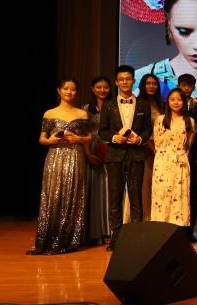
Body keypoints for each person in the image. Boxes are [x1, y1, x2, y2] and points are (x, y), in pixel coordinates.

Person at [31, 78, 91, 254]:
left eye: (73, 89)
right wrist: (50, 140)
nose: (69, 92)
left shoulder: (82, 114)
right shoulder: (50, 113)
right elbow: (42, 139)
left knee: (73, 195)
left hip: (75, 156)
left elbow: (89, 137)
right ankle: (49, 237)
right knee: (53, 196)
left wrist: (78, 138)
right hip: (55, 157)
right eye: (66, 89)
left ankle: (69, 239)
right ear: (59, 90)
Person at [98, 65, 152, 246]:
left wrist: (139, 139)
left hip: (136, 155)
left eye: (128, 79)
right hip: (115, 155)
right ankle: (116, 239)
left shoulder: (143, 104)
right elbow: (102, 131)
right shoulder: (108, 105)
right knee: (115, 197)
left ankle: (136, 239)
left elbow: (148, 129)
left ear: (134, 80)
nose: (125, 82)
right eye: (121, 79)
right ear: (116, 82)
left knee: (136, 197)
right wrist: (115, 137)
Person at [150, 88, 194, 227]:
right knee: (161, 194)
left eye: (179, 100)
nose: (176, 102)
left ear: (184, 102)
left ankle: (178, 228)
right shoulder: (160, 119)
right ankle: (160, 226)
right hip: (163, 161)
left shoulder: (190, 121)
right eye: (172, 99)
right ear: (168, 102)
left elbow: (188, 145)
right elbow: (157, 142)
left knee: (179, 194)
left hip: (181, 162)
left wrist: (181, 156)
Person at [83, 76, 112, 246]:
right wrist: (88, 153)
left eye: (106, 87)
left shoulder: (114, 106)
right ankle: (94, 232)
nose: (102, 90)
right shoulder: (85, 109)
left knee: (109, 190)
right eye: (99, 87)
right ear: (92, 89)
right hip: (91, 149)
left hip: (110, 149)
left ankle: (109, 231)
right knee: (93, 191)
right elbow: (83, 133)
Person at [178, 73, 197, 241]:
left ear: (194, 87)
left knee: (196, 193)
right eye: (183, 85)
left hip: (196, 155)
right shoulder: (171, 103)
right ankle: (179, 231)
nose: (186, 88)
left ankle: (196, 230)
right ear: (178, 86)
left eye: (190, 85)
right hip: (175, 157)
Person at [138, 73, 164, 221]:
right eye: (148, 83)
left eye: (154, 84)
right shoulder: (138, 103)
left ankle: (158, 218)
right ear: (143, 85)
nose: (151, 86)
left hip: (162, 149)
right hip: (145, 148)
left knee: (160, 184)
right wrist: (151, 147)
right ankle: (146, 218)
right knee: (145, 185)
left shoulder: (162, 104)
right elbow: (139, 129)